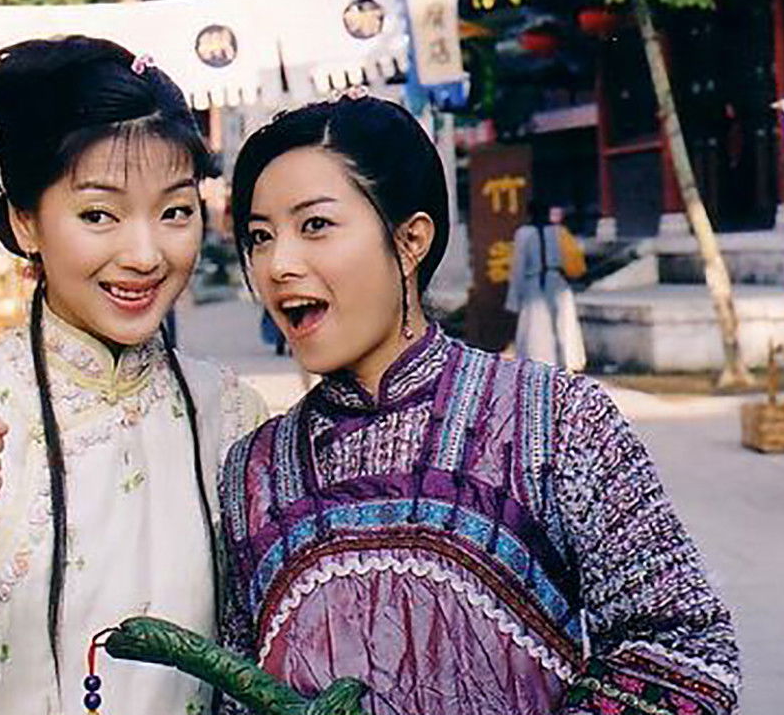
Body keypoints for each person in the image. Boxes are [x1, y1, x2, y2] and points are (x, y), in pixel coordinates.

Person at [217, 93, 739, 715]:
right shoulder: (252, 470)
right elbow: (234, 690)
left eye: (315, 226)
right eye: (260, 236)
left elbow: (685, 652)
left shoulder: (557, 420)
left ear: (410, 240)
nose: (277, 264)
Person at [0, 37, 266, 715]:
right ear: (25, 222)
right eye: (98, 214)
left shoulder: (233, 414)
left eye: (174, 211)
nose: (145, 254)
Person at [506, 202, 587, 371]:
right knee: (563, 324)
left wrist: (514, 299)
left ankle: (538, 364)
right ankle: (567, 361)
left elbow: (518, 266)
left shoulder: (523, 233)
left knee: (535, 328)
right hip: (556, 281)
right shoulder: (558, 232)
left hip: (534, 283)